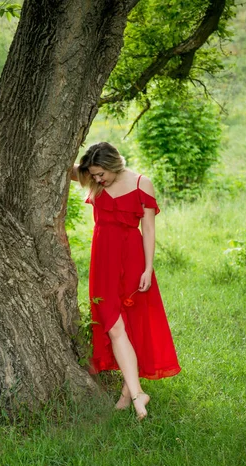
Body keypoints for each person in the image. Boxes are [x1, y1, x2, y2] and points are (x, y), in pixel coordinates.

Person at [72, 142, 180, 420]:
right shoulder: (93, 179)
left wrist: (147, 268)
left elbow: (149, 230)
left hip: (132, 260)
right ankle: (136, 394)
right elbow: (57, 167)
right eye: (93, 175)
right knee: (112, 324)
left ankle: (130, 394)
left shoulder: (143, 184)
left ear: (113, 165)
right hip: (102, 261)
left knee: (132, 325)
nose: (97, 180)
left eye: (100, 174)